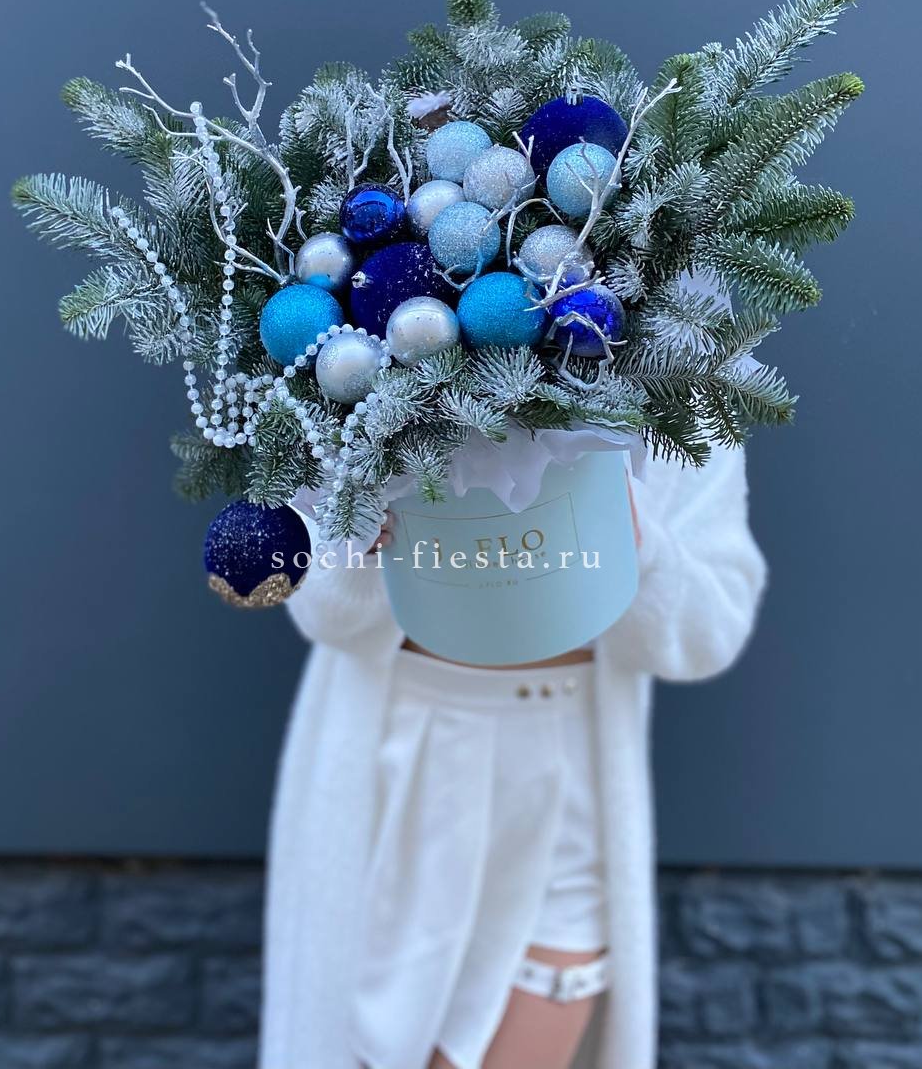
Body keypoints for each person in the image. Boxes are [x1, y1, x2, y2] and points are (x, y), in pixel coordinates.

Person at [259, 443, 767, 1069]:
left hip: (566, 780)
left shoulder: (685, 396)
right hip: (399, 766)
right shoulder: (358, 381)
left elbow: (712, 630)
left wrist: (639, 545)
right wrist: (356, 546)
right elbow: (326, 617)